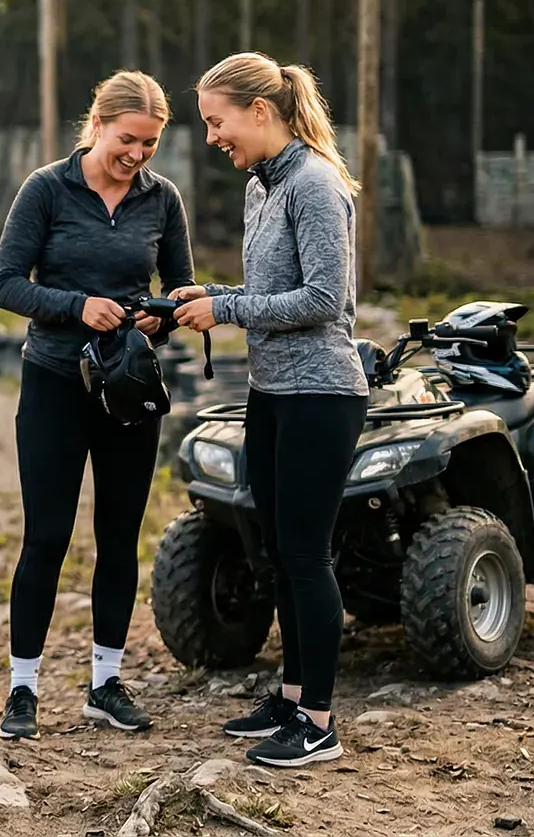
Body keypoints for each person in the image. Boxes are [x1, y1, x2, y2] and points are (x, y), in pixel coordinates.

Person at [172, 51, 369, 769]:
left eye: (218, 122)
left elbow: (323, 300)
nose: (212, 137)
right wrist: (201, 300)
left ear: (262, 111)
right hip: (272, 391)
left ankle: (318, 723)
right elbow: (271, 289)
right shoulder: (262, 186)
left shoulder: (315, 184)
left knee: (307, 555)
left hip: (321, 392)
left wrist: (225, 307)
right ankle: (290, 697)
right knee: (279, 553)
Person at [0, 71, 193, 741]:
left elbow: (181, 284)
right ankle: (23, 689)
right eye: (128, 140)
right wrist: (78, 306)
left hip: (127, 386)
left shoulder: (162, 200)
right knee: (45, 537)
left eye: (151, 145)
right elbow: (6, 285)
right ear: (97, 123)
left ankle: (106, 683)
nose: (137, 155)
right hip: (53, 381)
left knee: (119, 538)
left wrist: (164, 314)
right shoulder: (47, 189)